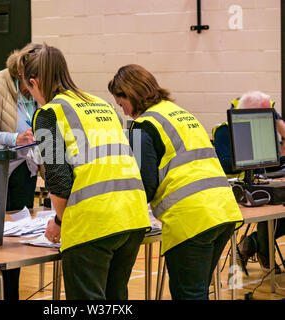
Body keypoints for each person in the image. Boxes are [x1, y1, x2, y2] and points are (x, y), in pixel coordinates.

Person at [18, 43, 151, 300]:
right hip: (133, 217)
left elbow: (58, 178)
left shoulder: (48, 113)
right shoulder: (101, 104)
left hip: (94, 224)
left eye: (28, 89)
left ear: (34, 82)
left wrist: (58, 222)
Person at [108, 64, 243, 300]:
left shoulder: (143, 126)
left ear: (130, 94)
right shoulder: (180, 113)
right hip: (224, 210)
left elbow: (145, 184)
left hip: (192, 219)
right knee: (197, 291)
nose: (125, 112)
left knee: (189, 295)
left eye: (121, 104)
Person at [0, 48, 39, 300]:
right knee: (0, 248)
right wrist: (15, 138)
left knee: (20, 246)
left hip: (28, 170)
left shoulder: (38, 87)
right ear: (20, 72)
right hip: (0, 172)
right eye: (30, 81)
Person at [212, 90, 285, 274]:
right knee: (269, 208)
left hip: (259, 185)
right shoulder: (223, 131)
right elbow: (226, 164)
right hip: (234, 192)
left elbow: (273, 161)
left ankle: (251, 243)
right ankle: (259, 247)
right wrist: (249, 158)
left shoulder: (264, 130)